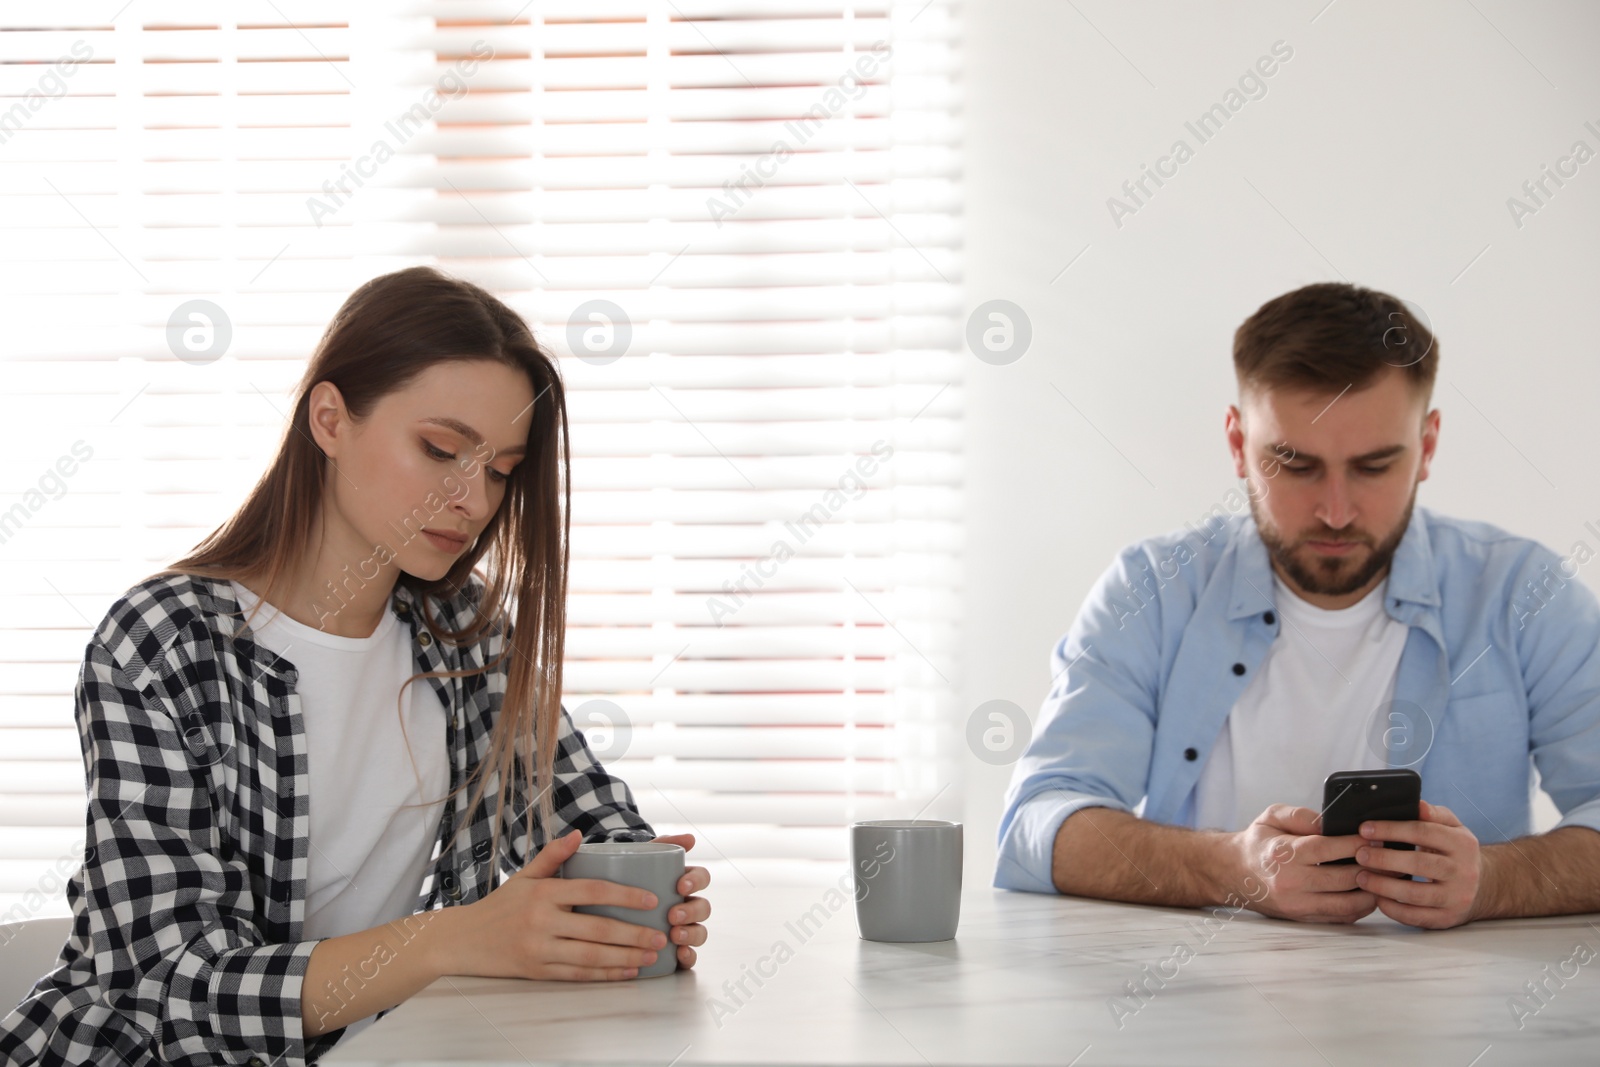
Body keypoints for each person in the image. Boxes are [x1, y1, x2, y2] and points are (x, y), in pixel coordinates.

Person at [0, 267, 712, 1066]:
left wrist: (636, 902)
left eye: (502, 469)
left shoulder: (466, 634)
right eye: (441, 449)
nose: (473, 500)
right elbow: (169, 985)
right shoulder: (164, 641)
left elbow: (589, 824)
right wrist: (456, 937)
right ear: (330, 420)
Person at [994, 281, 1600, 928]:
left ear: (1426, 447)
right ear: (1236, 444)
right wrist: (1232, 869)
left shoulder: (1519, 592)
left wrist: (1493, 881)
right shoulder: (1153, 588)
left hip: (1464, 1012)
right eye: (1294, 463)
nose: (1335, 511)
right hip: (1194, 1004)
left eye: (1373, 466)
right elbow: (1036, 824)